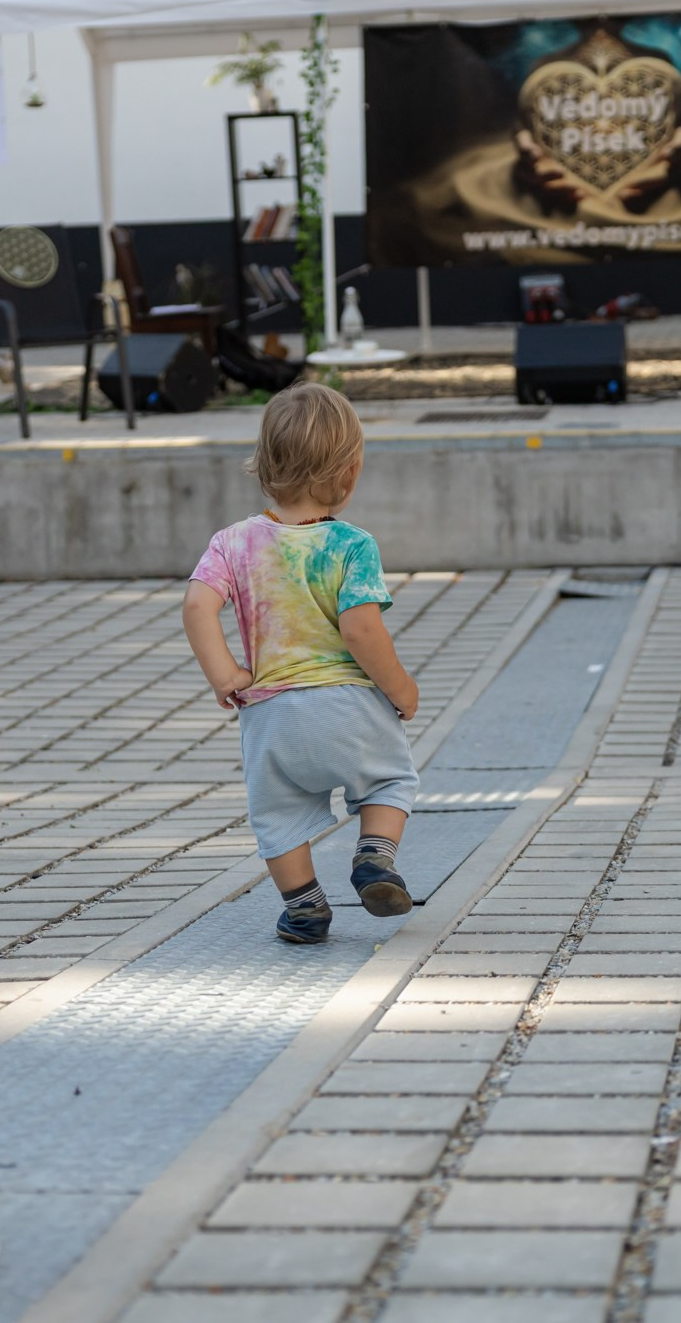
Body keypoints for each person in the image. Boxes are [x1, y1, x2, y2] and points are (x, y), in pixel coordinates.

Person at [182, 384, 420, 945]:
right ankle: (374, 859)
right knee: (390, 780)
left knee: (277, 814)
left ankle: (305, 908)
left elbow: (196, 606)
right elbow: (361, 630)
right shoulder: (352, 545)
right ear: (350, 472)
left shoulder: (232, 543)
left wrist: (226, 676)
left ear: (263, 464)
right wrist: (400, 688)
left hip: (272, 718)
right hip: (350, 707)